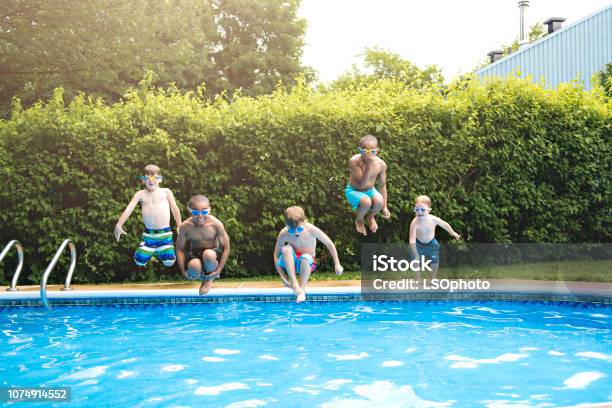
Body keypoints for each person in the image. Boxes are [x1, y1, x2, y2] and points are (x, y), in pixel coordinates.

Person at [114, 164, 182, 268]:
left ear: (160, 179)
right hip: (149, 236)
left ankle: (160, 250)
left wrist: (179, 225)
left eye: (155, 178)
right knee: (139, 261)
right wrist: (119, 224)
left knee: (169, 261)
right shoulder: (140, 194)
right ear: (143, 180)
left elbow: (174, 208)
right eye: (147, 178)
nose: (151, 181)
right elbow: (129, 209)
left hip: (165, 234)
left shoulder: (166, 192)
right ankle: (148, 249)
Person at [274, 206, 343, 303]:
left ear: (304, 221)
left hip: (308, 263)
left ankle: (301, 290)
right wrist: (282, 275)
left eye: (299, 229)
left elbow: (329, 244)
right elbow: (276, 255)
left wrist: (337, 264)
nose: (297, 233)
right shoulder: (284, 233)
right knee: (285, 249)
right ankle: (295, 285)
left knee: (305, 257)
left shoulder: (311, 229)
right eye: (292, 230)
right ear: (286, 225)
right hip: (291, 263)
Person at [175, 195, 230, 295]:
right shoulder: (185, 226)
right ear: (189, 210)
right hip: (195, 254)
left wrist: (218, 271)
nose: (200, 215)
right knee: (194, 267)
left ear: (209, 210)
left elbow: (226, 247)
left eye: (204, 212)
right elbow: (179, 249)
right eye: (195, 212)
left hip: (212, 253)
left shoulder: (216, 224)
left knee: (208, 254)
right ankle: (201, 275)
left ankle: (209, 278)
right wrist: (183, 271)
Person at [345, 134, 390, 235]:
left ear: (377, 150)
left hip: (370, 190)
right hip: (354, 191)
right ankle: (359, 220)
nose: (368, 155)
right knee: (366, 202)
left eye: (373, 151)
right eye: (365, 151)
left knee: (379, 201)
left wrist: (385, 207)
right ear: (359, 150)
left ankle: (370, 217)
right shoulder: (354, 161)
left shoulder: (381, 164)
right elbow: (362, 185)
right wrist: (369, 166)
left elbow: (382, 186)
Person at [408, 195, 461, 279]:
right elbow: (411, 240)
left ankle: (432, 279)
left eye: (422, 210)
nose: (419, 212)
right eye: (416, 209)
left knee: (435, 261)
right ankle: (418, 278)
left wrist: (453, 233)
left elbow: (445, 224)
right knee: (416, 260)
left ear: (429, 210)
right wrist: (415, 253)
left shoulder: (433, 219)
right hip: (418, 244)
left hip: (431, 243)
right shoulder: (414, 222)